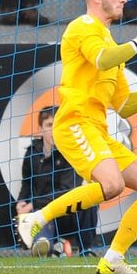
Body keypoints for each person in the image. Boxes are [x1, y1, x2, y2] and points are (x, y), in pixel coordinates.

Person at [16, 0, 137, 274]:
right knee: (111, 185)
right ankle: (36, 219)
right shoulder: (83, 27)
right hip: (74, 123)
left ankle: (113, 259)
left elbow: (124, 106)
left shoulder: (112, 45)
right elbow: (101, 60)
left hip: (97, 129)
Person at [17, 106, 96, 257]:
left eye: (57, 125)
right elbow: (26, 183)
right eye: (49, 125)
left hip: (67, 215)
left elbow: (68, 190)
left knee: (90, 199)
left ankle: (86, 250)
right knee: (43, 247)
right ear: (40, 128)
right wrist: (21, 201)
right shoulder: (32, 152)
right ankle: (50, 246)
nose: (53, 130)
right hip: (40, 215)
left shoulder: (72, 152)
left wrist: (33, 204)